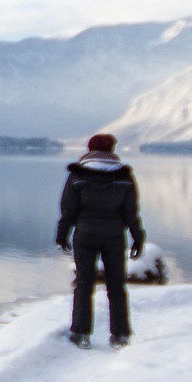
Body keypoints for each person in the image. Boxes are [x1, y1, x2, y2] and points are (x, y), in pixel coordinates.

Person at [56, 133, 145, 349]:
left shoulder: (79, 175)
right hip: (114, 236)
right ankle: (120, 335)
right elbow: (131, 211)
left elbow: (68, 208)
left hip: (85, 234)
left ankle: (81, 333)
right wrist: (137, 237)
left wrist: (62, 235)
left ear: (90, 148)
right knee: (116, 285)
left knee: (84, 283)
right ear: (112, 149)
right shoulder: (124, 176)